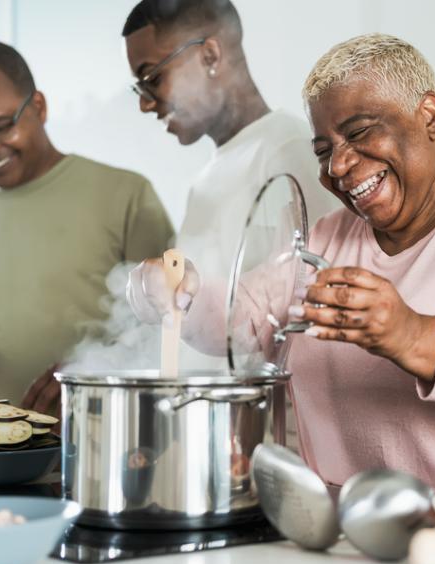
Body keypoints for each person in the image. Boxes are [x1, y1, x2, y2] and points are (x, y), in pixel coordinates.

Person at [128, 33, 435, 499]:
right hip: (346, 531)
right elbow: (244, 320)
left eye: (358, 133)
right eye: (322, 149)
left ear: (429, 116)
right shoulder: (329, 236)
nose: (338, 165)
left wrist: (412, 336)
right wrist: (180, 292)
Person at [123, 0, 339, 449]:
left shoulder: (289, 153)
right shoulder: (207, 176)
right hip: (208, 443)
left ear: (210, 55)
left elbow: (313, 330)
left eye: (151, 78)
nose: (145, 104)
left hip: (264, 449)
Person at [0, 42, 174, 415]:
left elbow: (175, 330)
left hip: (116, 447)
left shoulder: (126, 196)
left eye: (0, 126)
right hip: (0, 457)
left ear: (39, 106)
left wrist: (90, 375)